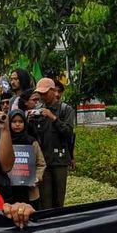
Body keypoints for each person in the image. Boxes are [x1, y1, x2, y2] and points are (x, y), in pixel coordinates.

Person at [29, 77, 75, 209]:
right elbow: (34, 136)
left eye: (45, 93)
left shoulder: (65, 109)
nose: (42, 96)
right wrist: (30, 121)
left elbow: (68, 132)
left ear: (53, 91)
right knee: (45, 201)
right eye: (40, 93)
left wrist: (53, 118)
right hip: (43, 162)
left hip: (59, 161)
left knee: (58, 200)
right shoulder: (38, 109)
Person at [4, 109, 47, 205]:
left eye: (21, 121)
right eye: (14, 122)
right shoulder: (4, 141)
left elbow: (41, 164)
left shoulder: (31, 142)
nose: (17, 124)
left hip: (29, 191)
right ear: (9, 123)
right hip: (9, 190)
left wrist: (36, 178)